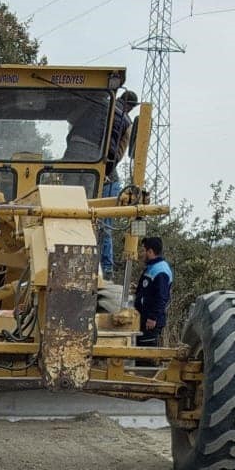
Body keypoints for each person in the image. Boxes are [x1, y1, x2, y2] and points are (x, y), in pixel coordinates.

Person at [98, 91, 139, 280]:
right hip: (108, 177)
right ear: (131, 106)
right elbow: (119, 153)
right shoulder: (127, 122)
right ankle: (106, 270)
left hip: (93, 173)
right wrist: (106, 171)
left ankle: (103, 267)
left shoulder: (101, 110)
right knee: (105, 225)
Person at [134, 235, 173, 347]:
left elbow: (161, 297)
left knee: (146, 353)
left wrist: (152, 318)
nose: (141, 254)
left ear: (150, 252)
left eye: (143, 250)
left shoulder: (161, 271)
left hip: (150, 322)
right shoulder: (152, 267)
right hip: (144, 317)